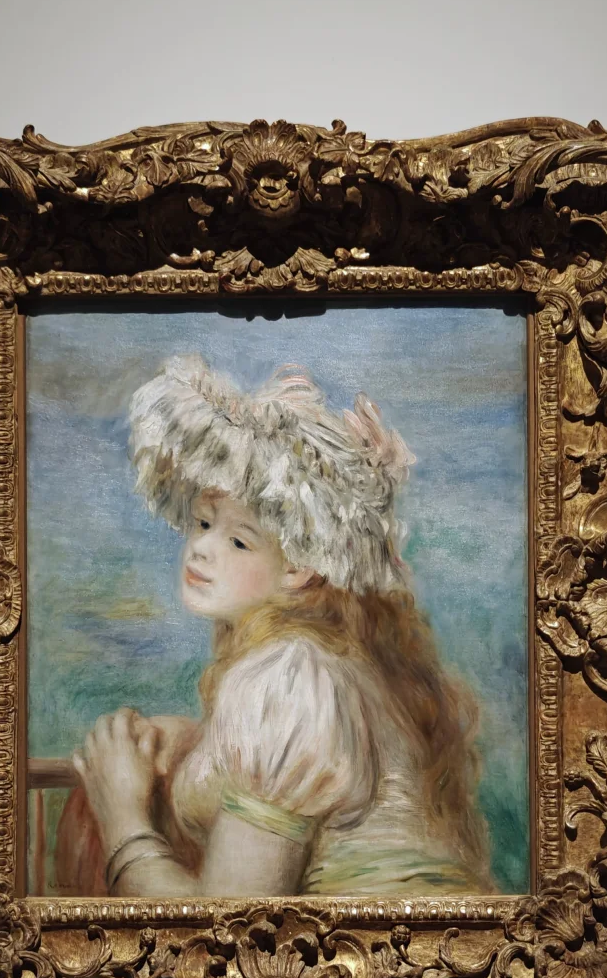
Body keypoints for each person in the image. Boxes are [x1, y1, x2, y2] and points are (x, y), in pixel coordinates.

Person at [58, 354, 491, 898]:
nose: (201, 548)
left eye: (239, 540)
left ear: (297, 567)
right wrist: (194, 745)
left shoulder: (286, 677)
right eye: (203, 522)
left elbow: (230, 923)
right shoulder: (328, 662)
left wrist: (122, 813)